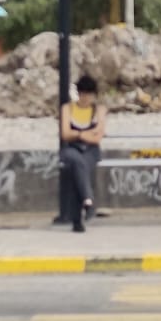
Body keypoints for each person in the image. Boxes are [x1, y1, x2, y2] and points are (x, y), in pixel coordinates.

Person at [59, 75, 105, 233]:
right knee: (78, 163)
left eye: (89, 94)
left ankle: (78, 218)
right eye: (83, 94)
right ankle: (89, 200)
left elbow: (97, 137)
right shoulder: (68, 109)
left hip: (91, 150)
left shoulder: (98, 110)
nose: (85, 98)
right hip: (71, 149)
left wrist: (77, 134)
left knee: (78, 169)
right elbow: (65, 134)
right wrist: (84, 134)